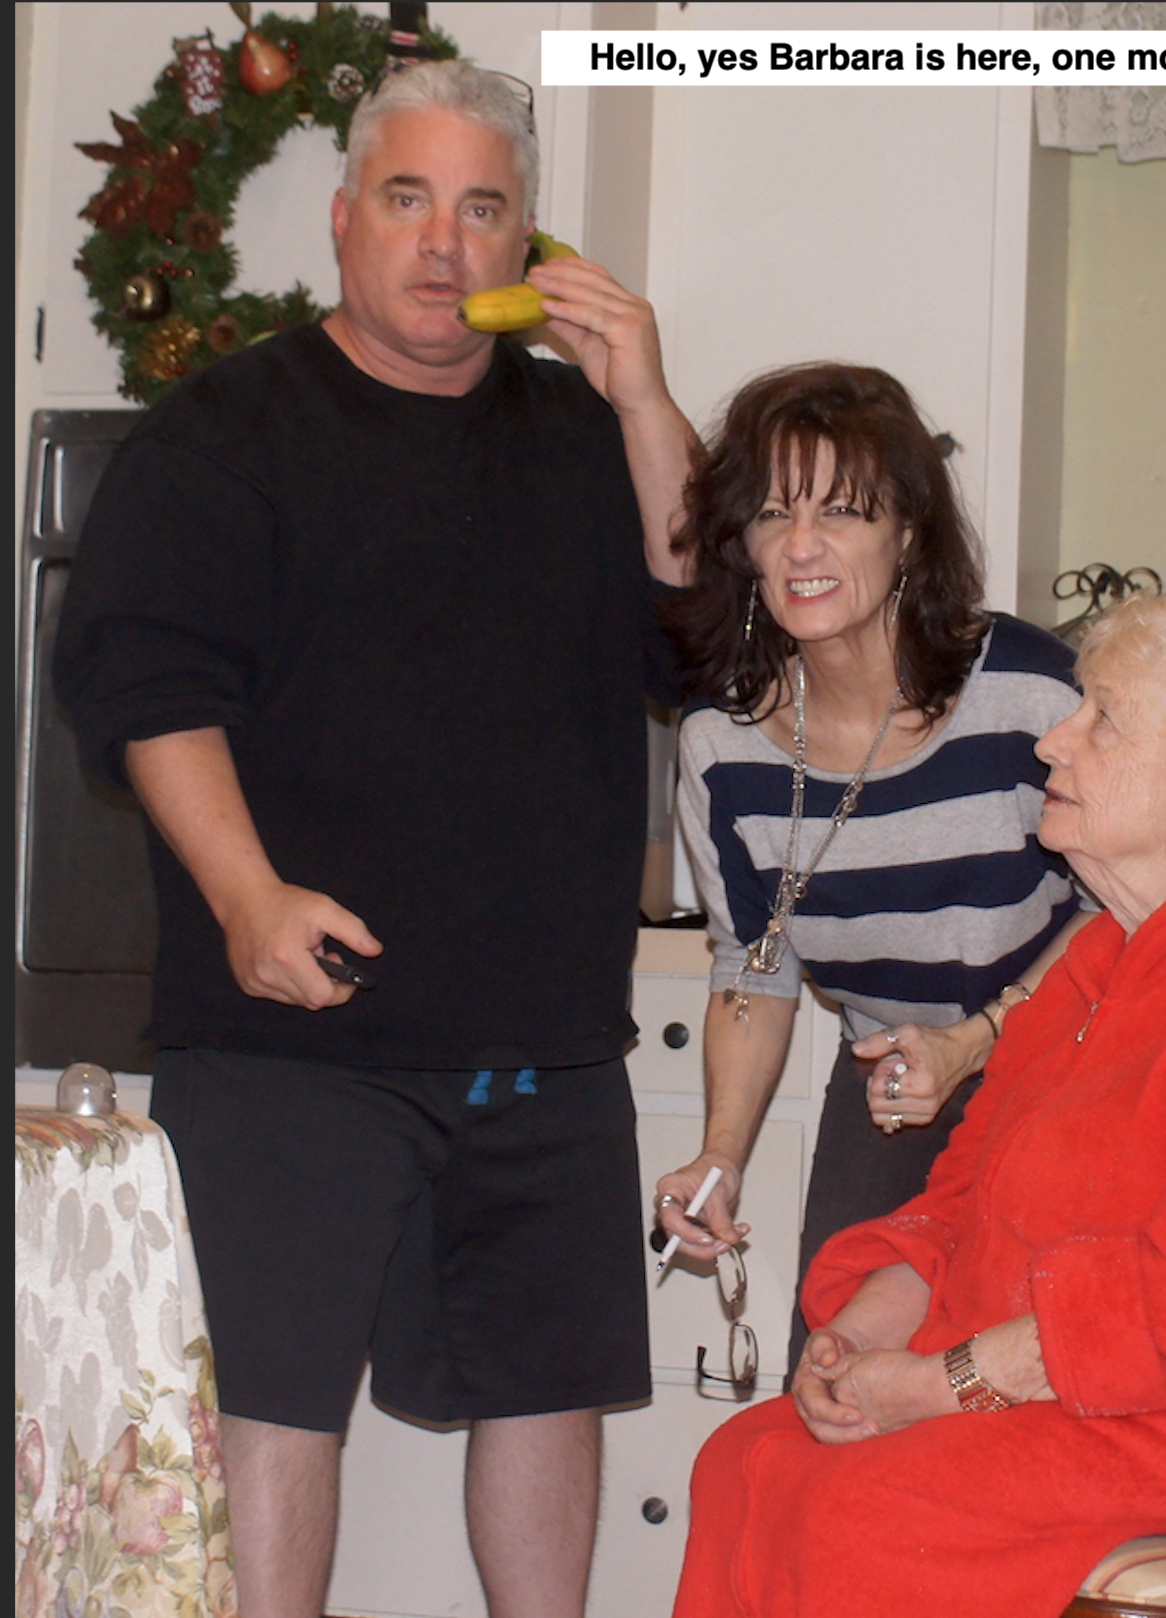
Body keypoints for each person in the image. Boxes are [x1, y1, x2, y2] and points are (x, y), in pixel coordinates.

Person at [53, 60, 693, 1618]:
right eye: (406, 199)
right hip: (292, 1026)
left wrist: (647, 396)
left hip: (541, 1034)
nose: (440, 244)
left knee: (547, 1395)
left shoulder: (579, 433)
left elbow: (697, 639)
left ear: (526, 243)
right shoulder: (224, 433)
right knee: (276, 1404)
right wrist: (247, 895)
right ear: (343, 217)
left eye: (483, 210)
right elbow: (147, 692)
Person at [671, 587, 1166, 1618]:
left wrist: (937, 1384)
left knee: (865, 1512)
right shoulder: (1097, 971)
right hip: (1100, 1404)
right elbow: (961, 1206)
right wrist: (858, 1338)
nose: (1053, 742)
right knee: (747, 1457)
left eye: (1103, 719)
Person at [652, 362, 1092, 1364]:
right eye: (771, 515)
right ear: (741, 544)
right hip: (889, 1085)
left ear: (906, 534)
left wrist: (979, 1040)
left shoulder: (1026, 694)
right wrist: (718, 1154)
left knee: (1011, 1383)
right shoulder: (722, 747)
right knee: (836, 1374)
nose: (802, 546)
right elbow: (750, 969)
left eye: (842, 512)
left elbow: (1129, 909)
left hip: (1069, 1074)